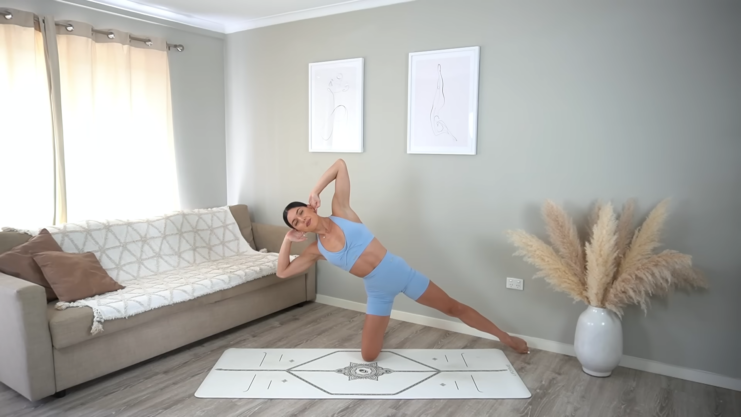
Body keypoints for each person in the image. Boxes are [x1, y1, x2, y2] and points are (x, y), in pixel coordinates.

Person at [277, 159, 529, 361]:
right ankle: (381, 327)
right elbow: (283, 273)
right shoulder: (315, 250)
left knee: (454, 307)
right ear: (299, 230)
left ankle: (505, 337)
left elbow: (340, 165)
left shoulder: (341, 211)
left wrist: (315, 189)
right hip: (377, 291)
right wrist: (288, 240)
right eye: (296, 222)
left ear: (311, 207)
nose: (301, 219)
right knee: (368, 357)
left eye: (301, 212)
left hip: (401, 274)